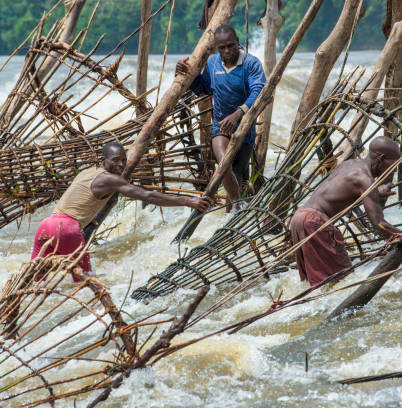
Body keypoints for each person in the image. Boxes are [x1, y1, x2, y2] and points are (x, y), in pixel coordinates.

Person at [31, 141, 211, 280]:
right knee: (86, 282)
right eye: (115, 160)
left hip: (46, 226)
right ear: (104, 160)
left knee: (35, 278)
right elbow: (147, 196)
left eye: (124, 160)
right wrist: (188, 201)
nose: (121, 164)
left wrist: (90, 219)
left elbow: (80, 201)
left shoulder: (86, 172)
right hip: (68, 229)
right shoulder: (110, 179)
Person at [289, 136, 402, 287]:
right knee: (341, 282)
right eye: (394, 165)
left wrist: (376, 192)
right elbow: (379, 226)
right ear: (380, 159)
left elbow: (340, 190)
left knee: (316, 283)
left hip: (300, 218)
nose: (395, 169)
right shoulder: (365, 180)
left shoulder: (348, 165)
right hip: (315, 223)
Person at [176, 24, 266, 212]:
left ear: (238, 43)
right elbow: (204, 88)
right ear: (217, 48)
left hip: (245, 130)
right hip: (221, 127)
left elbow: (258, 91)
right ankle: (237, 206)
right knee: (223, 164)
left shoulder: (251, 64)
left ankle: (232, 214)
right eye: (222, 47)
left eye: (231, 46)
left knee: (237, 176)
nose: (227, 51)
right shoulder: (213, 63)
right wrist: (188, 75)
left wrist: (238, 113)